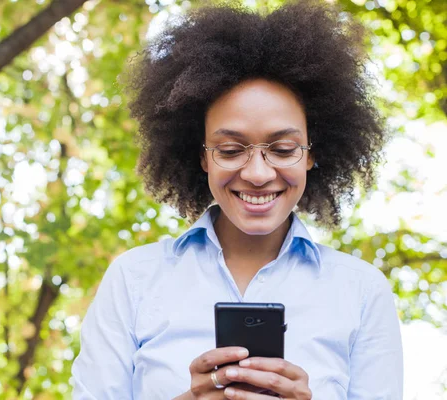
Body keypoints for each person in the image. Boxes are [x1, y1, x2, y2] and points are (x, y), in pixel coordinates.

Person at [71, 0, 403, 399]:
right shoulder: (133, 280)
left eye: (283, 149)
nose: (258, 173)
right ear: (201, 156)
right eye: (230, 150)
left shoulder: (362, 291)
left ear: (313, 153)